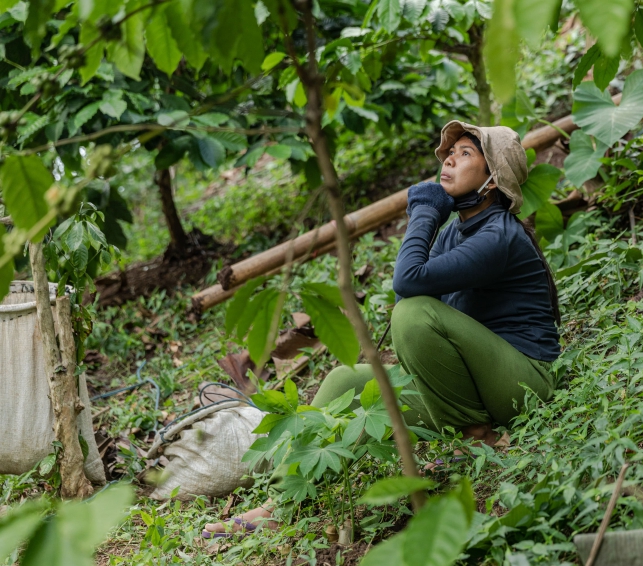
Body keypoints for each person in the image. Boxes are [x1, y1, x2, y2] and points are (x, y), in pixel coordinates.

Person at [203, 121, 561, 537]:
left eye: (466, 153)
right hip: (472, 383)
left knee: (410, 313)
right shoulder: (457, 233)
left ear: (493, 178)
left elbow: (408, 283)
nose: (449, 158)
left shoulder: (499, 234)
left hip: (521, 384)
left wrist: (425, 209)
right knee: (343, 381)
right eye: (450, 151)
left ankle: (476, 435)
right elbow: (420, 297)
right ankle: (282, 501)